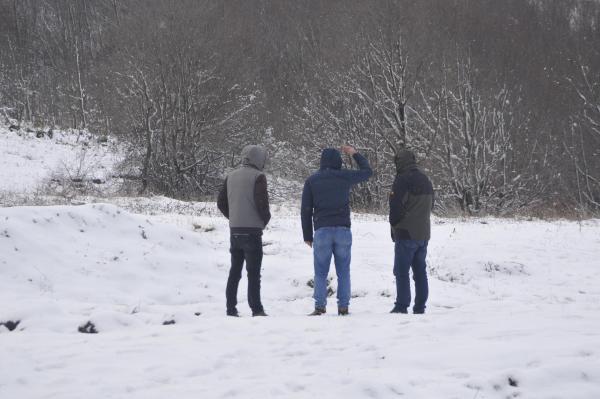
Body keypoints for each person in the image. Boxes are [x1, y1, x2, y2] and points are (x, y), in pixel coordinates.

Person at [301, 145, 372, 316]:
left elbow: (305, 209)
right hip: (342, 230)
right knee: (343, 271)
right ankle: (343, 306)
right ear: (338, 161)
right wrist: (354, 153)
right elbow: (367, 171)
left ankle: (319, 306)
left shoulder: (312, 181)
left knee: (320, 272)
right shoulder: (344, 177)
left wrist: (307, 235)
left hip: (322, 230)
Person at [217, 145, 271, 317]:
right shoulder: (258, 176)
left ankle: (230, 308)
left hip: (235, 230)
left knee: (235, 271)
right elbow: (261, 202)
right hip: (252, 231)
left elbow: (221, 202)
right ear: (259, 159)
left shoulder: (230, 176)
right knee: (253, 273)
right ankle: (256, 309)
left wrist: (233, 217)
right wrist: (264, 220)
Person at [388, 149, 434, 314]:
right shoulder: (425, 179)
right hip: (423, 233)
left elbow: (395, 208)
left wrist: (395, 226)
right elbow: (431, 205)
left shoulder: (402, 180)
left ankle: (401, 306)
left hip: (406, 233)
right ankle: (420, 306)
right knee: (420, 272)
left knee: (401, 272)